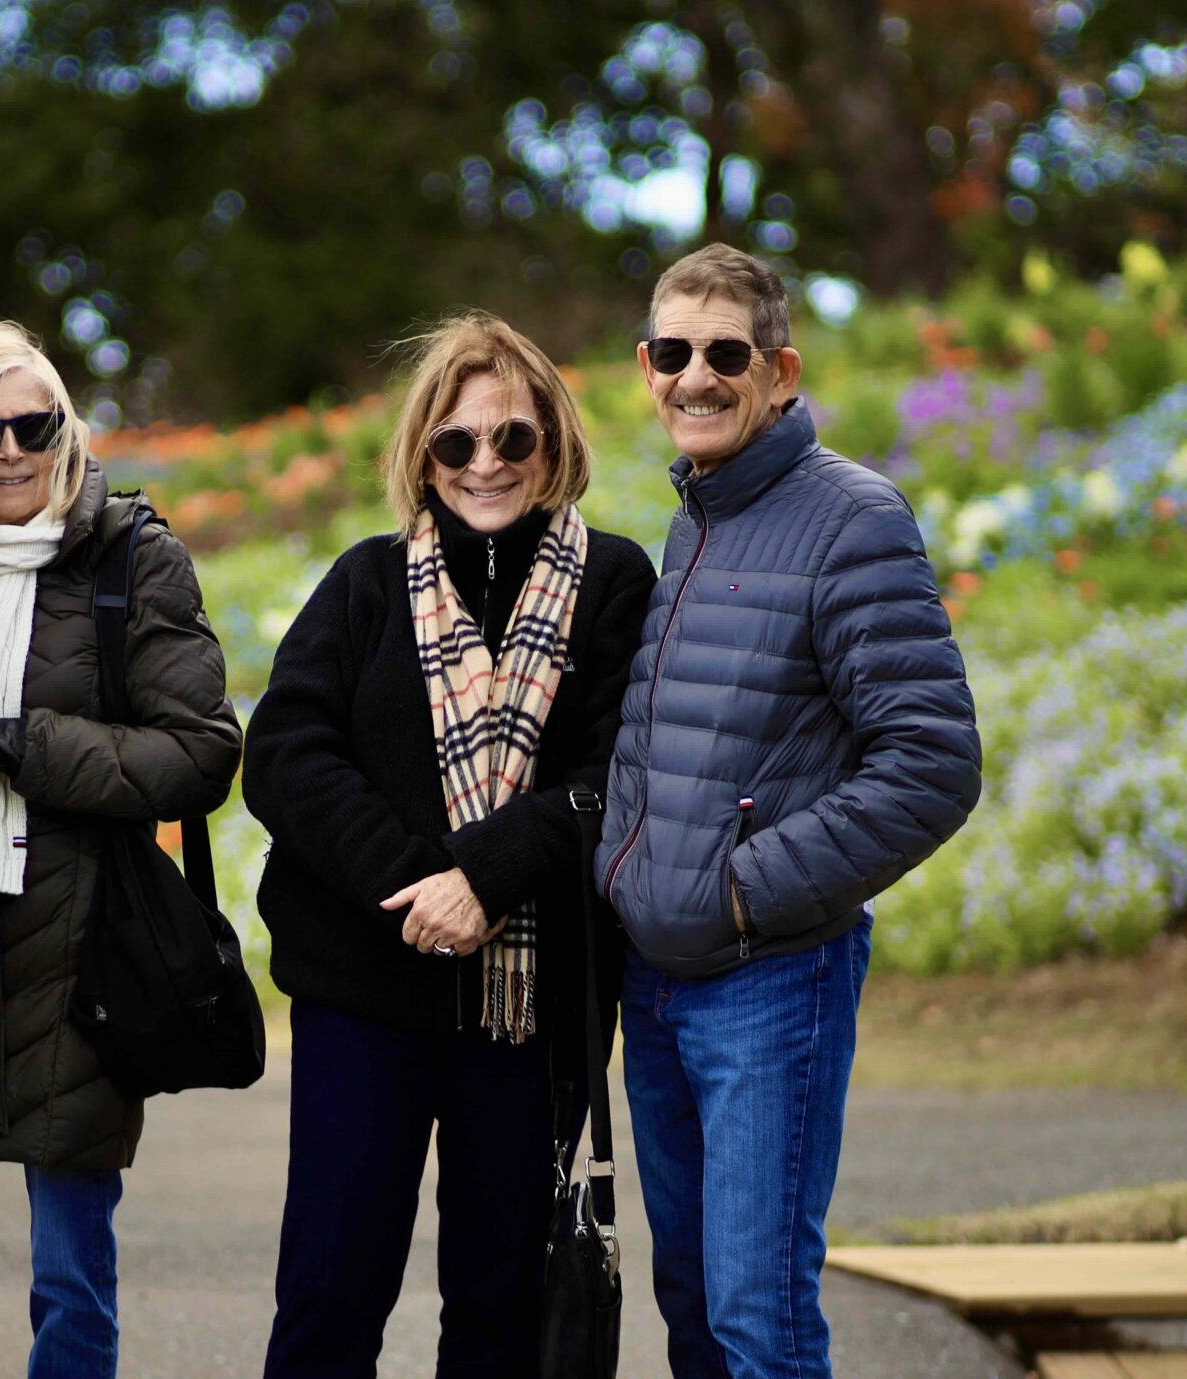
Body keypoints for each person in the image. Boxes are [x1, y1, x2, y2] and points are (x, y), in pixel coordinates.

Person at [596, 243, 983, 1379]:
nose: (696, 378)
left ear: (780, 369)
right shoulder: (692, 520)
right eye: (674, 353)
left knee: (758, 1322)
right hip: (655, 989)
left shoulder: (848, 519)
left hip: (767, 981)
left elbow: (931, 763)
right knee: (694, 1313)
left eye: (726, 354)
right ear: (646, 364)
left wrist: (739, 889)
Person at [245, 312, 656, 1379]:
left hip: (530, 1008)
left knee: (501, 1308)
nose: (486, 464)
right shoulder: (367, 583)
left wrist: (485, 876)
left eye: (513, 439)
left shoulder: (613, 583)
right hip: (365, 990)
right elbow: (285, 755)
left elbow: (624, 771)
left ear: (554, 445)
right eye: (457, 442)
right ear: (422, 453)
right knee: (330, 1293)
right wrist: (418, 884)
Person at [0, 320, 242, 1379]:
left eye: (32, 423)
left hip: (81, 950)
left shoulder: (132, 555)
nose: (7, 450)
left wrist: (12, 745)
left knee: (71, 1279)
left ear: (67, 429)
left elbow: (201, 756)